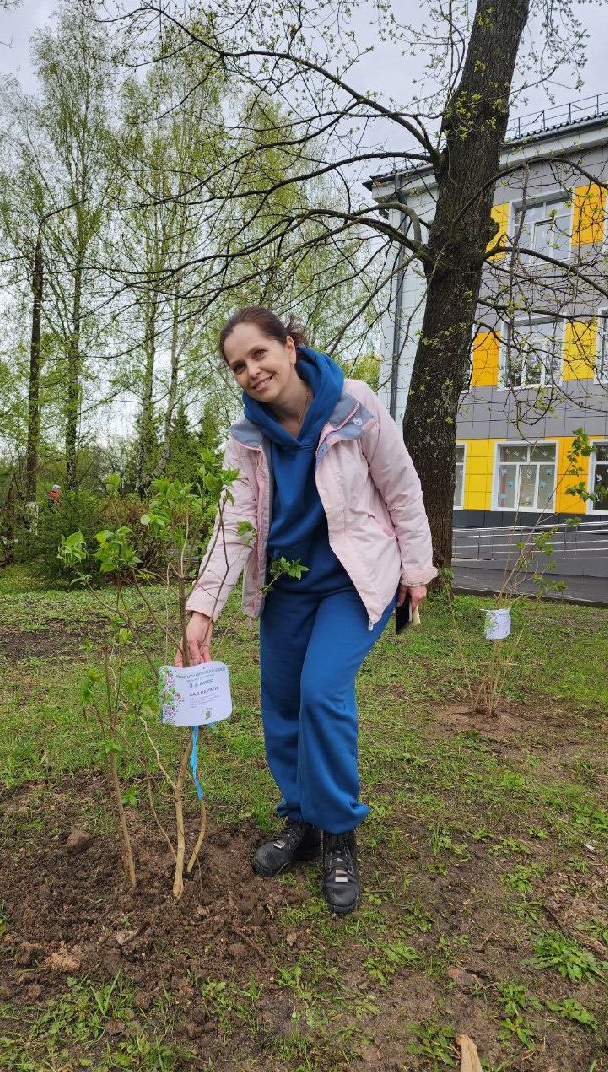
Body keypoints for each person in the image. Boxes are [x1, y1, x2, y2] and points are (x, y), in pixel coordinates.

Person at [181, 308, 437, 914]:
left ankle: (339, 833)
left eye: (260, 354)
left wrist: (417, 572)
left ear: (291, 346)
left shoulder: (354, 405)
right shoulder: (245, 440)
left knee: (322, 693)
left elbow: (402, 486)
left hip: (355, 581)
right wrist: (203, 607)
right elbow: (233, 525)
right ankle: (301, 820)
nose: (251, 371)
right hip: (286, 591)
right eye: (237, 366)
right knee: (284, 704)